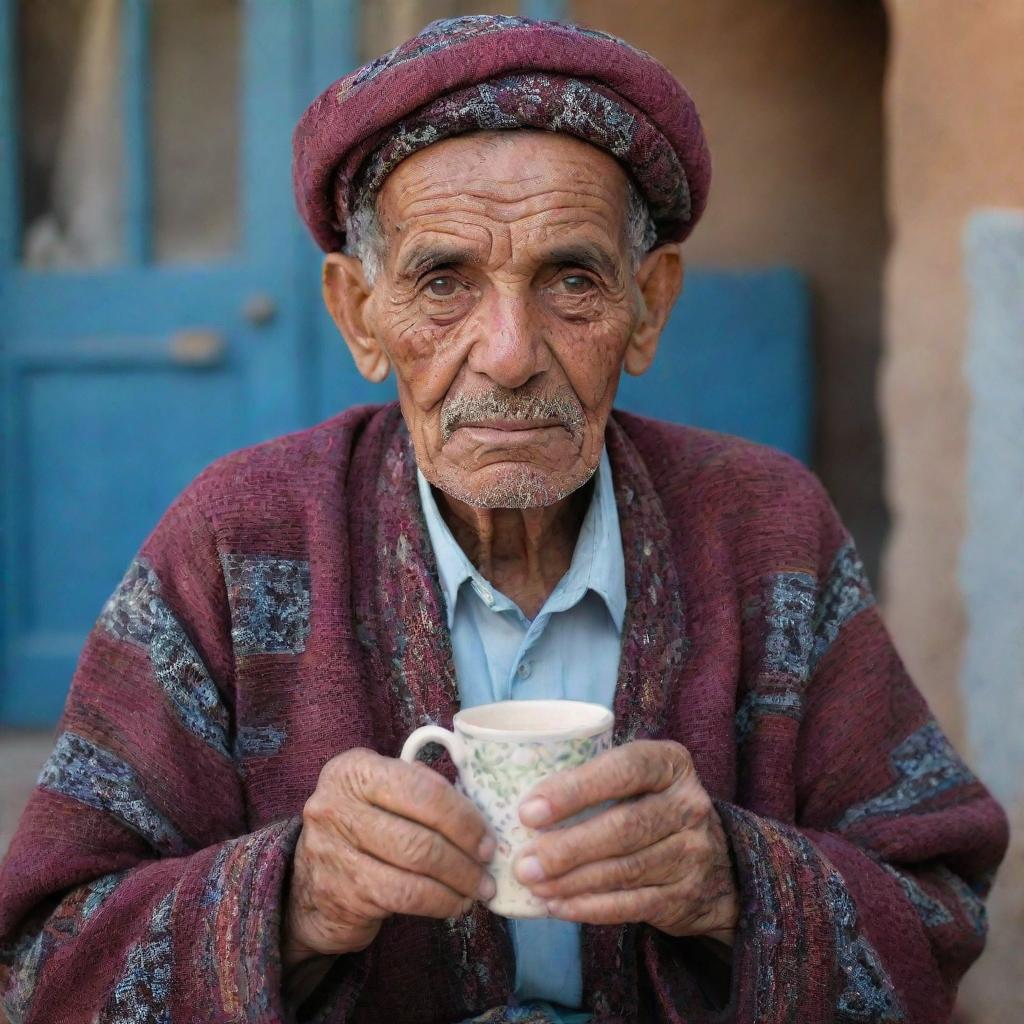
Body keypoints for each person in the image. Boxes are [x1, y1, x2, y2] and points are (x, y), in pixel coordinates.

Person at [0, 15, 1008, 1024]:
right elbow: (45, 956)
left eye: (571, 280)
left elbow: (937, 903)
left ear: (648, 307)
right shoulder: (237, 540)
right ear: (360, 314)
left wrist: (733, 883)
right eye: (443, 283)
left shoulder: (766, 529)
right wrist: (295, 898)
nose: (510, 352)